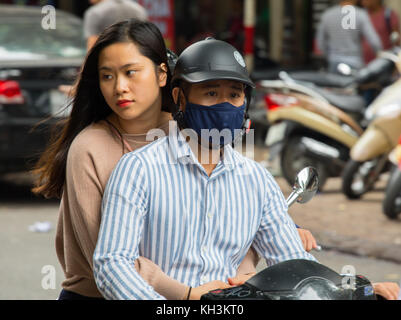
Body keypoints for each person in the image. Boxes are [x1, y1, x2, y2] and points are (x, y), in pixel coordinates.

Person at [93, 38, 319, 300]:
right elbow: (112, 263)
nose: (224, 105)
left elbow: (294, 265)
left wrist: (361, 289)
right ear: (180, 98)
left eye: (234, 95)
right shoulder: (139, 170)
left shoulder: (257, 180)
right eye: (211, 93)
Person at [316, 0, 382, 73]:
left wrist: (328, 56)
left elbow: (320, 43)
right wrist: (380, 58)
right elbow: (375, 42)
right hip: (355, 62)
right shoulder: (360, 14)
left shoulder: (327, 15)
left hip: (334, 62)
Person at [83, 0, 148, 50]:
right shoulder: (139, 10)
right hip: (135, 58)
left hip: (106, 60)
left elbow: (91, 45)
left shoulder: (94, 12)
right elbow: (145, 40)